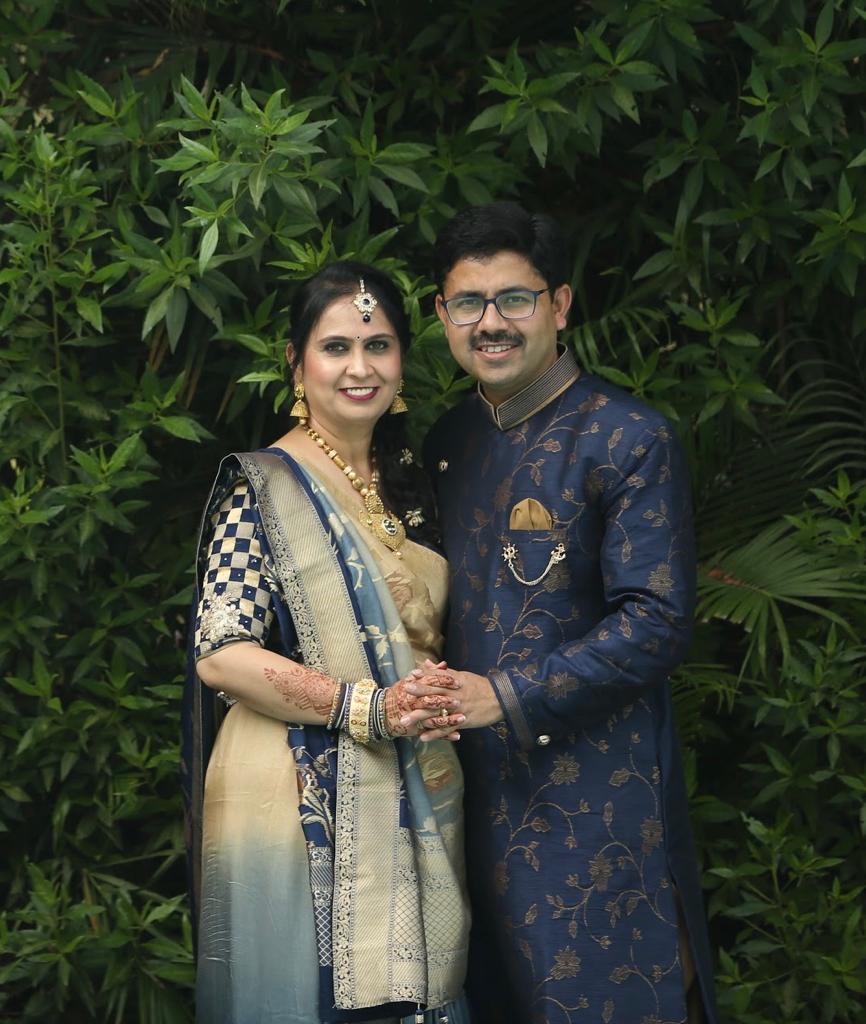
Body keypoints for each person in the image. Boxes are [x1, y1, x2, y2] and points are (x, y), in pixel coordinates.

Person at [417, 202, 719, 1023]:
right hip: (467, 795)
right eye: (469, 303)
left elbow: (656, 619)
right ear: (443, 315)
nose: (491, 323)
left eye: (514, 299)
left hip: (597, 801)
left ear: (559, 305)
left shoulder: (628, 438)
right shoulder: (445, 445)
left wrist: (505, 695)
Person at [181, 261, 472, 1024]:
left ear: (402, 360)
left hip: (416, 775)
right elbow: (221, 652)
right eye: (336, 347)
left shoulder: (413, 483)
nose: (359, 368)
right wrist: (370, 708)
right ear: (296, 361)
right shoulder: (263, 487)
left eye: (378, 345)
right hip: (298, 793)